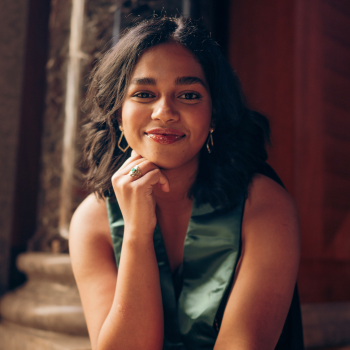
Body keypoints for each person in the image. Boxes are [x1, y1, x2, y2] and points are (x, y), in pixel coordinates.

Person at [69, 16, 304, 350]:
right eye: (145, 93)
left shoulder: (263, 206)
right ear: (118, 114)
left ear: (214, 115)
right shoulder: (91, 222)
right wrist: (136, 234)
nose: (164, 112)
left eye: (189, 95)